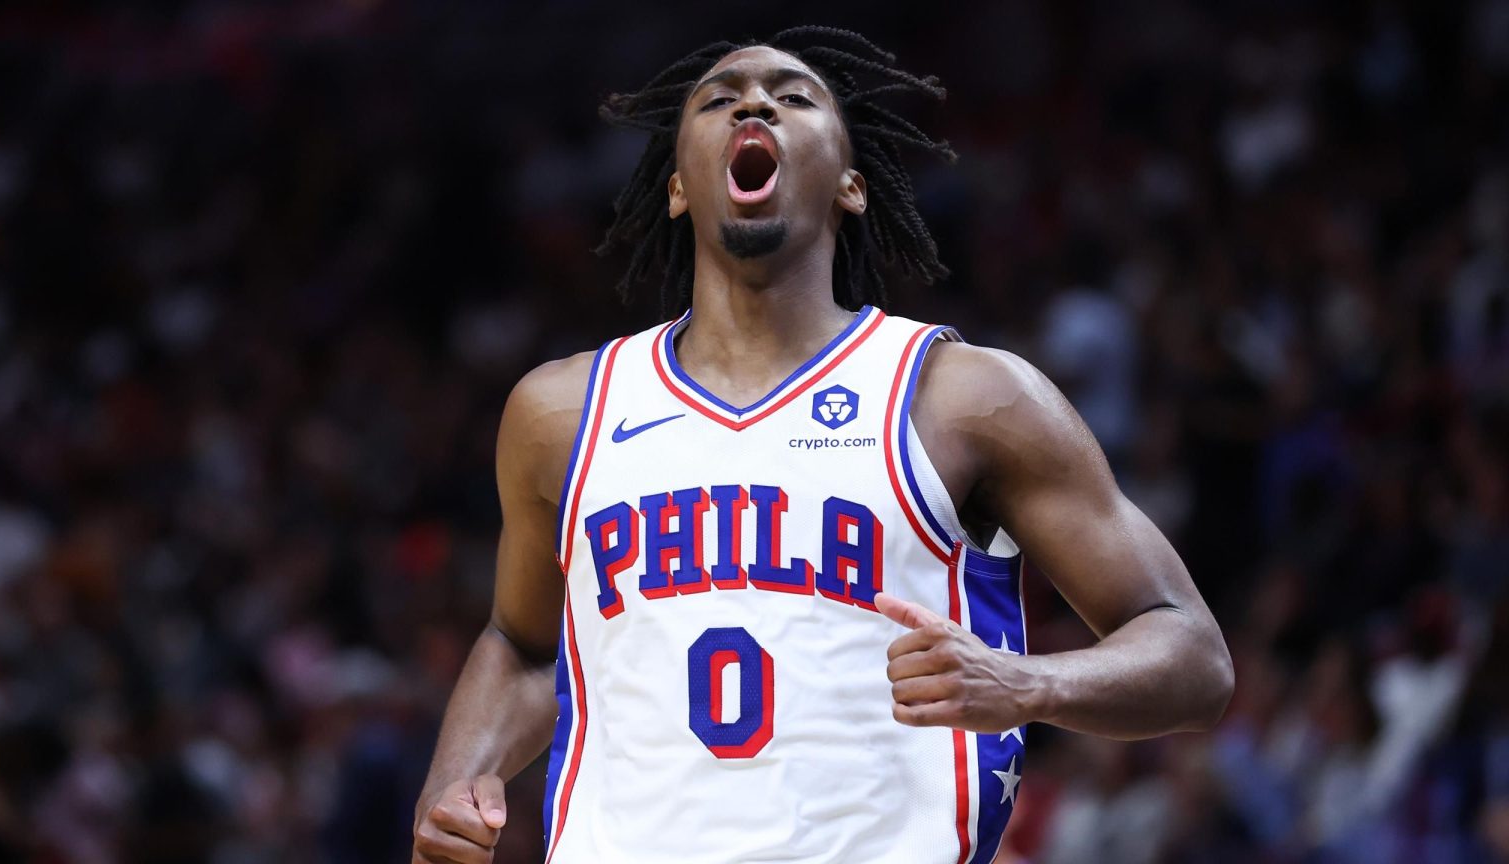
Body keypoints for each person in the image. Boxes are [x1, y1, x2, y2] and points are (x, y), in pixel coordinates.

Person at [411, 26, 1234, 864]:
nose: (754, 104)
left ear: (851, 186)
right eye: (718, 100)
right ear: (677, 188)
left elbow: (1194, 655)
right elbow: (522, 647)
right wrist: (454, 784)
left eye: (794, 97)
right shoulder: (561, 413)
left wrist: (1028, 682)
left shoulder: (964, 398)